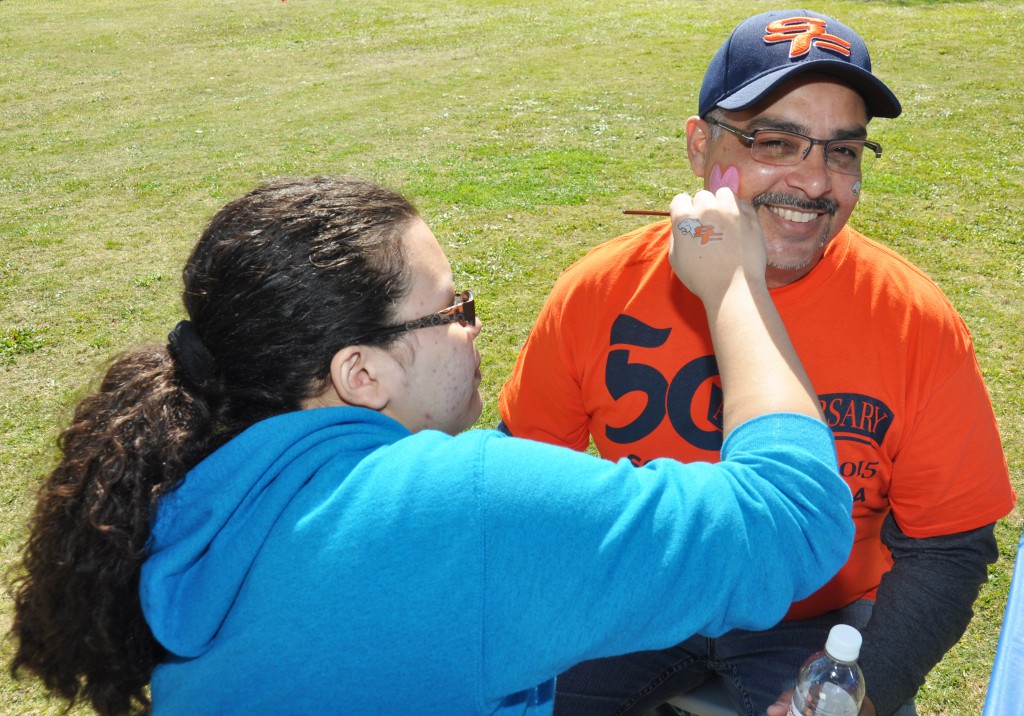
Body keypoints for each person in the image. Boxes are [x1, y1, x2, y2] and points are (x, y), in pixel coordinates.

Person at [7, 176, 854, 715]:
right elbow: (794, 518)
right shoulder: (460, 510)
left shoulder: (198, 492)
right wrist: (737, 284)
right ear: (361, 374)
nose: (475, 327)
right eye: (453, 310)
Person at [498, 9, 1017, 716]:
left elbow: (949, 545)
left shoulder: (912, 320)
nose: (813, 183)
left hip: (817, 619)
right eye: (777, 142)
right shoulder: (600, 291)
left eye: (843, 152)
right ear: (699, 146)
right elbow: (524, 481)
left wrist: (867, 690)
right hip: (644, 589)